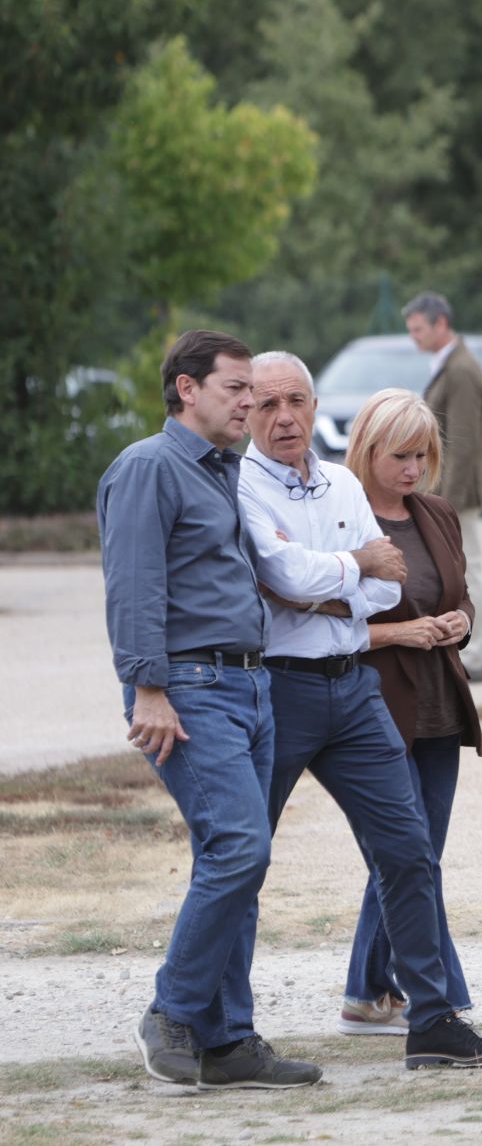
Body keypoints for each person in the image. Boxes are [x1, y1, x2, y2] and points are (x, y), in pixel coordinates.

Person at [240, 351, 482, 1070]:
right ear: (243, 409)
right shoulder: (239, 486)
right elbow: (280, 577)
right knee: (241, 857)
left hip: (352, 690)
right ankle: (214, 1022)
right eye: (267, 404)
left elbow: (383, 590)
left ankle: (431, 1019)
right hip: (282, 687)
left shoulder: (334, 484)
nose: (285, 416)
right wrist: (349, 570)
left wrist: (328, 582)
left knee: (409, 854)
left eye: (296, 400)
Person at [104, 329, 322, 1090]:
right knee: (239, 847)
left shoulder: (224, 472)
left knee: (235, 860)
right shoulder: (148, 467)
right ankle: (173, 1011)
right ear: (187, 390)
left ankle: (229, 1042)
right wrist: (148, 687)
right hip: (190, 691)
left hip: (250, 688)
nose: (252, 403)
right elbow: (134, 587)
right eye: (236, 388)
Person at [336, 388, 482, 1034]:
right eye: (400, 455)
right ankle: (439, 1002)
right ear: (367, 450)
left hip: (439, 707)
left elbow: (461, 596)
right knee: (406, 856)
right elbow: (315, 625)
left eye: (423, 455)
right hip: (374, 707)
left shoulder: (437, 513)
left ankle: (369, 991)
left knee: (416, 856)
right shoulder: (342, 520)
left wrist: (459, 622)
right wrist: (400, 633)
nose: (413, 468)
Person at [404, 291, 482, 679]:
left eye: (418, 329)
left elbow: (464, 442)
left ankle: (476, 654)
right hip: (449, 489)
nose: (414, 338)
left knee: (468, 569)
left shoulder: (461, 370)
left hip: (457, 491)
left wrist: (446, 503)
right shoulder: (452, 365)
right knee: (462, 567)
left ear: (441, 324)